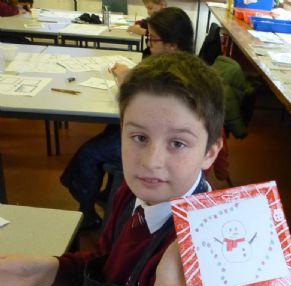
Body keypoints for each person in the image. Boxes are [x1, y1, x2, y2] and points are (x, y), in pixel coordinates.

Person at [1, 51, 238, 286]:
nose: (151, 162)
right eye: (139, 137)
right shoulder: (132, 194)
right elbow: (109, 268)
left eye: (177, 143)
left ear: (210, 152)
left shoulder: (212, 251)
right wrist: (42, 270)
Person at [60, 7, 194, 230]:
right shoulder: (176, 65)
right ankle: (100, 194)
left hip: (152, 143)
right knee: (108, 131)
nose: (149, 44)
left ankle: (87, 211)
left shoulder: (178, 77)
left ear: (172, 45)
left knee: (89, 154)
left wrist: (127, 82)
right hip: (150, 135)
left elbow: (151, 111)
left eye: (153, 40)